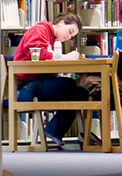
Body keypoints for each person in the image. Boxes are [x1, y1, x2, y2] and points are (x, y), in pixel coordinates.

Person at [11, 12, 86, 147]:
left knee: (81, 92)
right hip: (25, 85)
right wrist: (63, 57)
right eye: (69, 32)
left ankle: (54, 130)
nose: (68, 37)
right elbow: (37, 54)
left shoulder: (52, 39)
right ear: (61, 23)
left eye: (71, 36)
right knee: (69, 85)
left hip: (37, 82)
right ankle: (54, 130)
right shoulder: (40, 30)